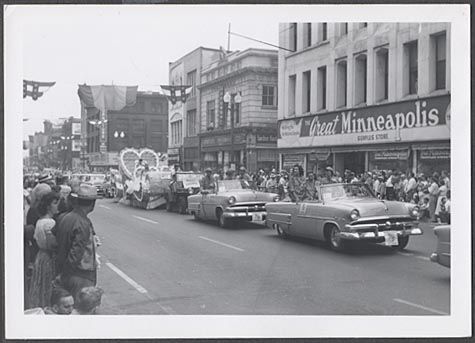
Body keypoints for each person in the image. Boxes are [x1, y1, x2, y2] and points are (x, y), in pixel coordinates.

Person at [55, 184, 100, 301]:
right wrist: (65, 274)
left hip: (66, 272)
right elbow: (75, 254)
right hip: (79, 275)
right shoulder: (83, 223)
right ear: (92, 203)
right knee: (81, 309)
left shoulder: (64, 217)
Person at [28, 191, 60, 308]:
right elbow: (53, 246)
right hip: (48, 258)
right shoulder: (50, 223)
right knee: (47, 287)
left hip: (40, 257)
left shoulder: (40, 221)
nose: (57, 206)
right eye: (55, 203)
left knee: (40, 286)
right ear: (48, 206)